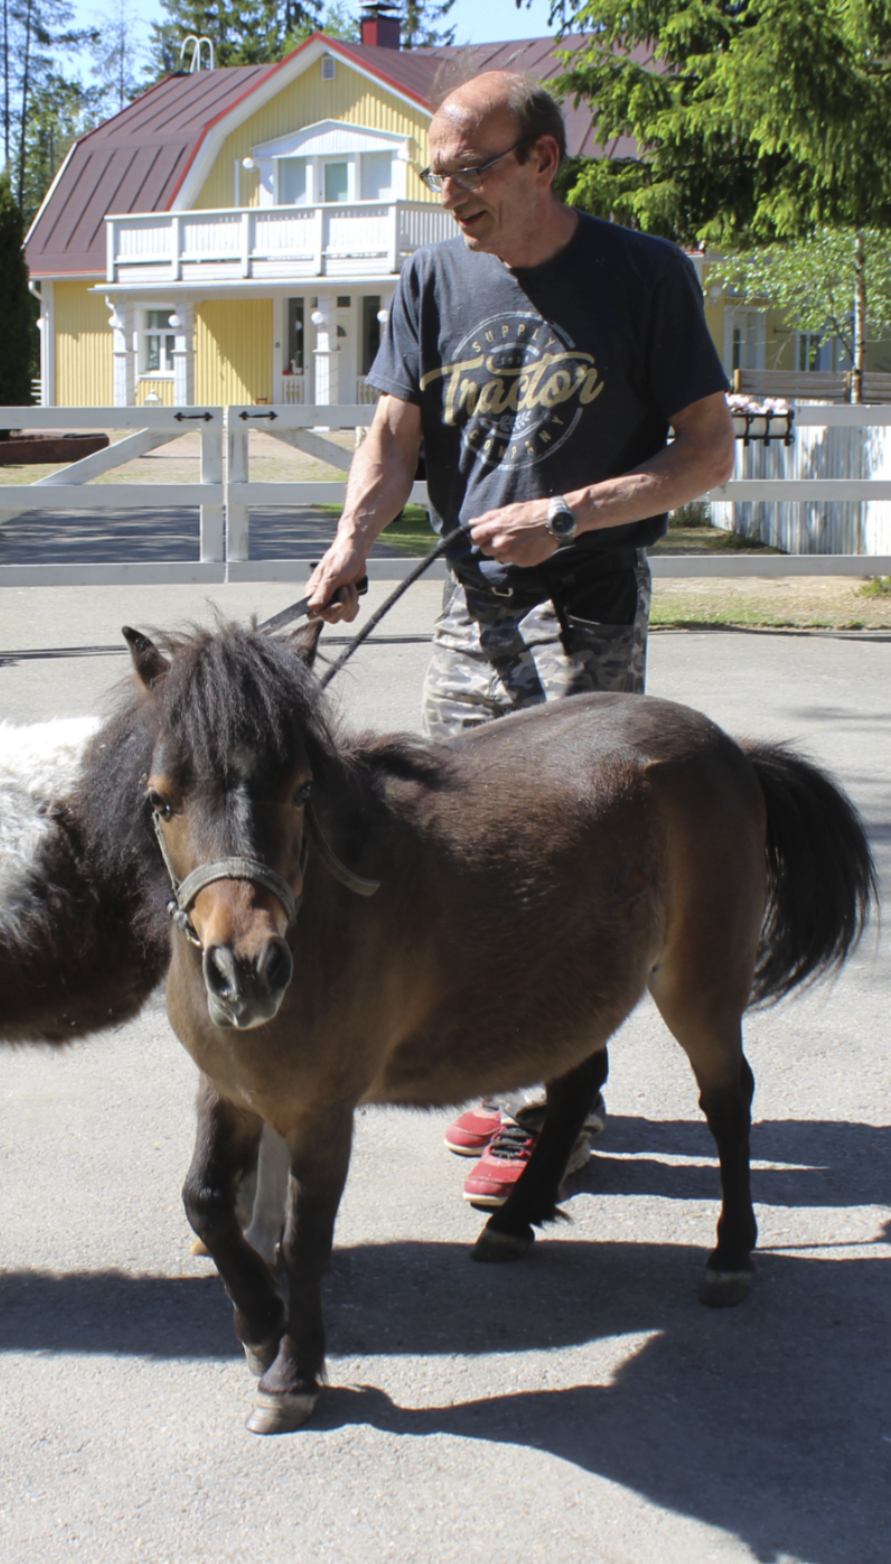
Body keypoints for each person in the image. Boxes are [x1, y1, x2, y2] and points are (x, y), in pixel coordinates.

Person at [302, 69, 734, 1210]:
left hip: (589, 602)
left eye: (468, 170)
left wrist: (566, 516)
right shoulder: (432, 278)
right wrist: (351, 542)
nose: (449, 194)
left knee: (577, 856)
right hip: (468, 607)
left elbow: (705, 455)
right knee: (448, 842)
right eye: (434, 173)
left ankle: (563, 1109)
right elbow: (391, 440)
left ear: (541, 160)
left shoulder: (644, 277)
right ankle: (508, 1059)